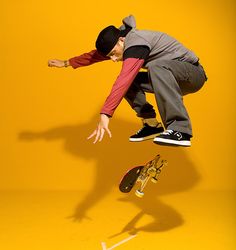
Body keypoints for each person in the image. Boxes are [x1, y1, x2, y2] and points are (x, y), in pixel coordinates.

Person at [48, 15, 207, 147]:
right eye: (110, 56)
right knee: (135, 81)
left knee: (150, 68)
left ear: (122, 41)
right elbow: (95, 55)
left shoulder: (136, 42)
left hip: (192, 75)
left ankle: (181, 130)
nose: (114, 59)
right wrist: (67, 62)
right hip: (168, 78)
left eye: (114, 54)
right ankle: (151, 124)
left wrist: (105, 114)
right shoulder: (121, 40)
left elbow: (123, 79)